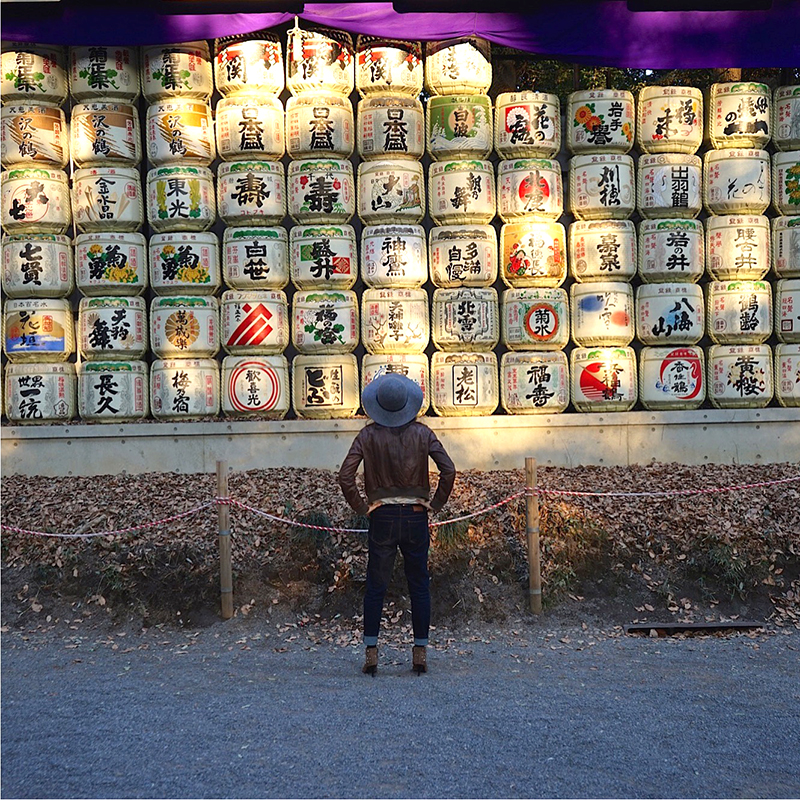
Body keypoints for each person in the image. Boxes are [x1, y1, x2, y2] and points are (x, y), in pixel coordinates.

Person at [338, 373, 456, 676]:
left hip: (383, 517)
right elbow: (449, 470)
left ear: (378, 405)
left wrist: (363, 507)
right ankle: (419, 652)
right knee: (419, 585)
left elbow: (345, 476)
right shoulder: (423, 433)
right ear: (408, 404)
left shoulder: (367, 436)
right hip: (416, 514)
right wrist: (436, 504)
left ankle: (372, 651)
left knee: (376, 586)